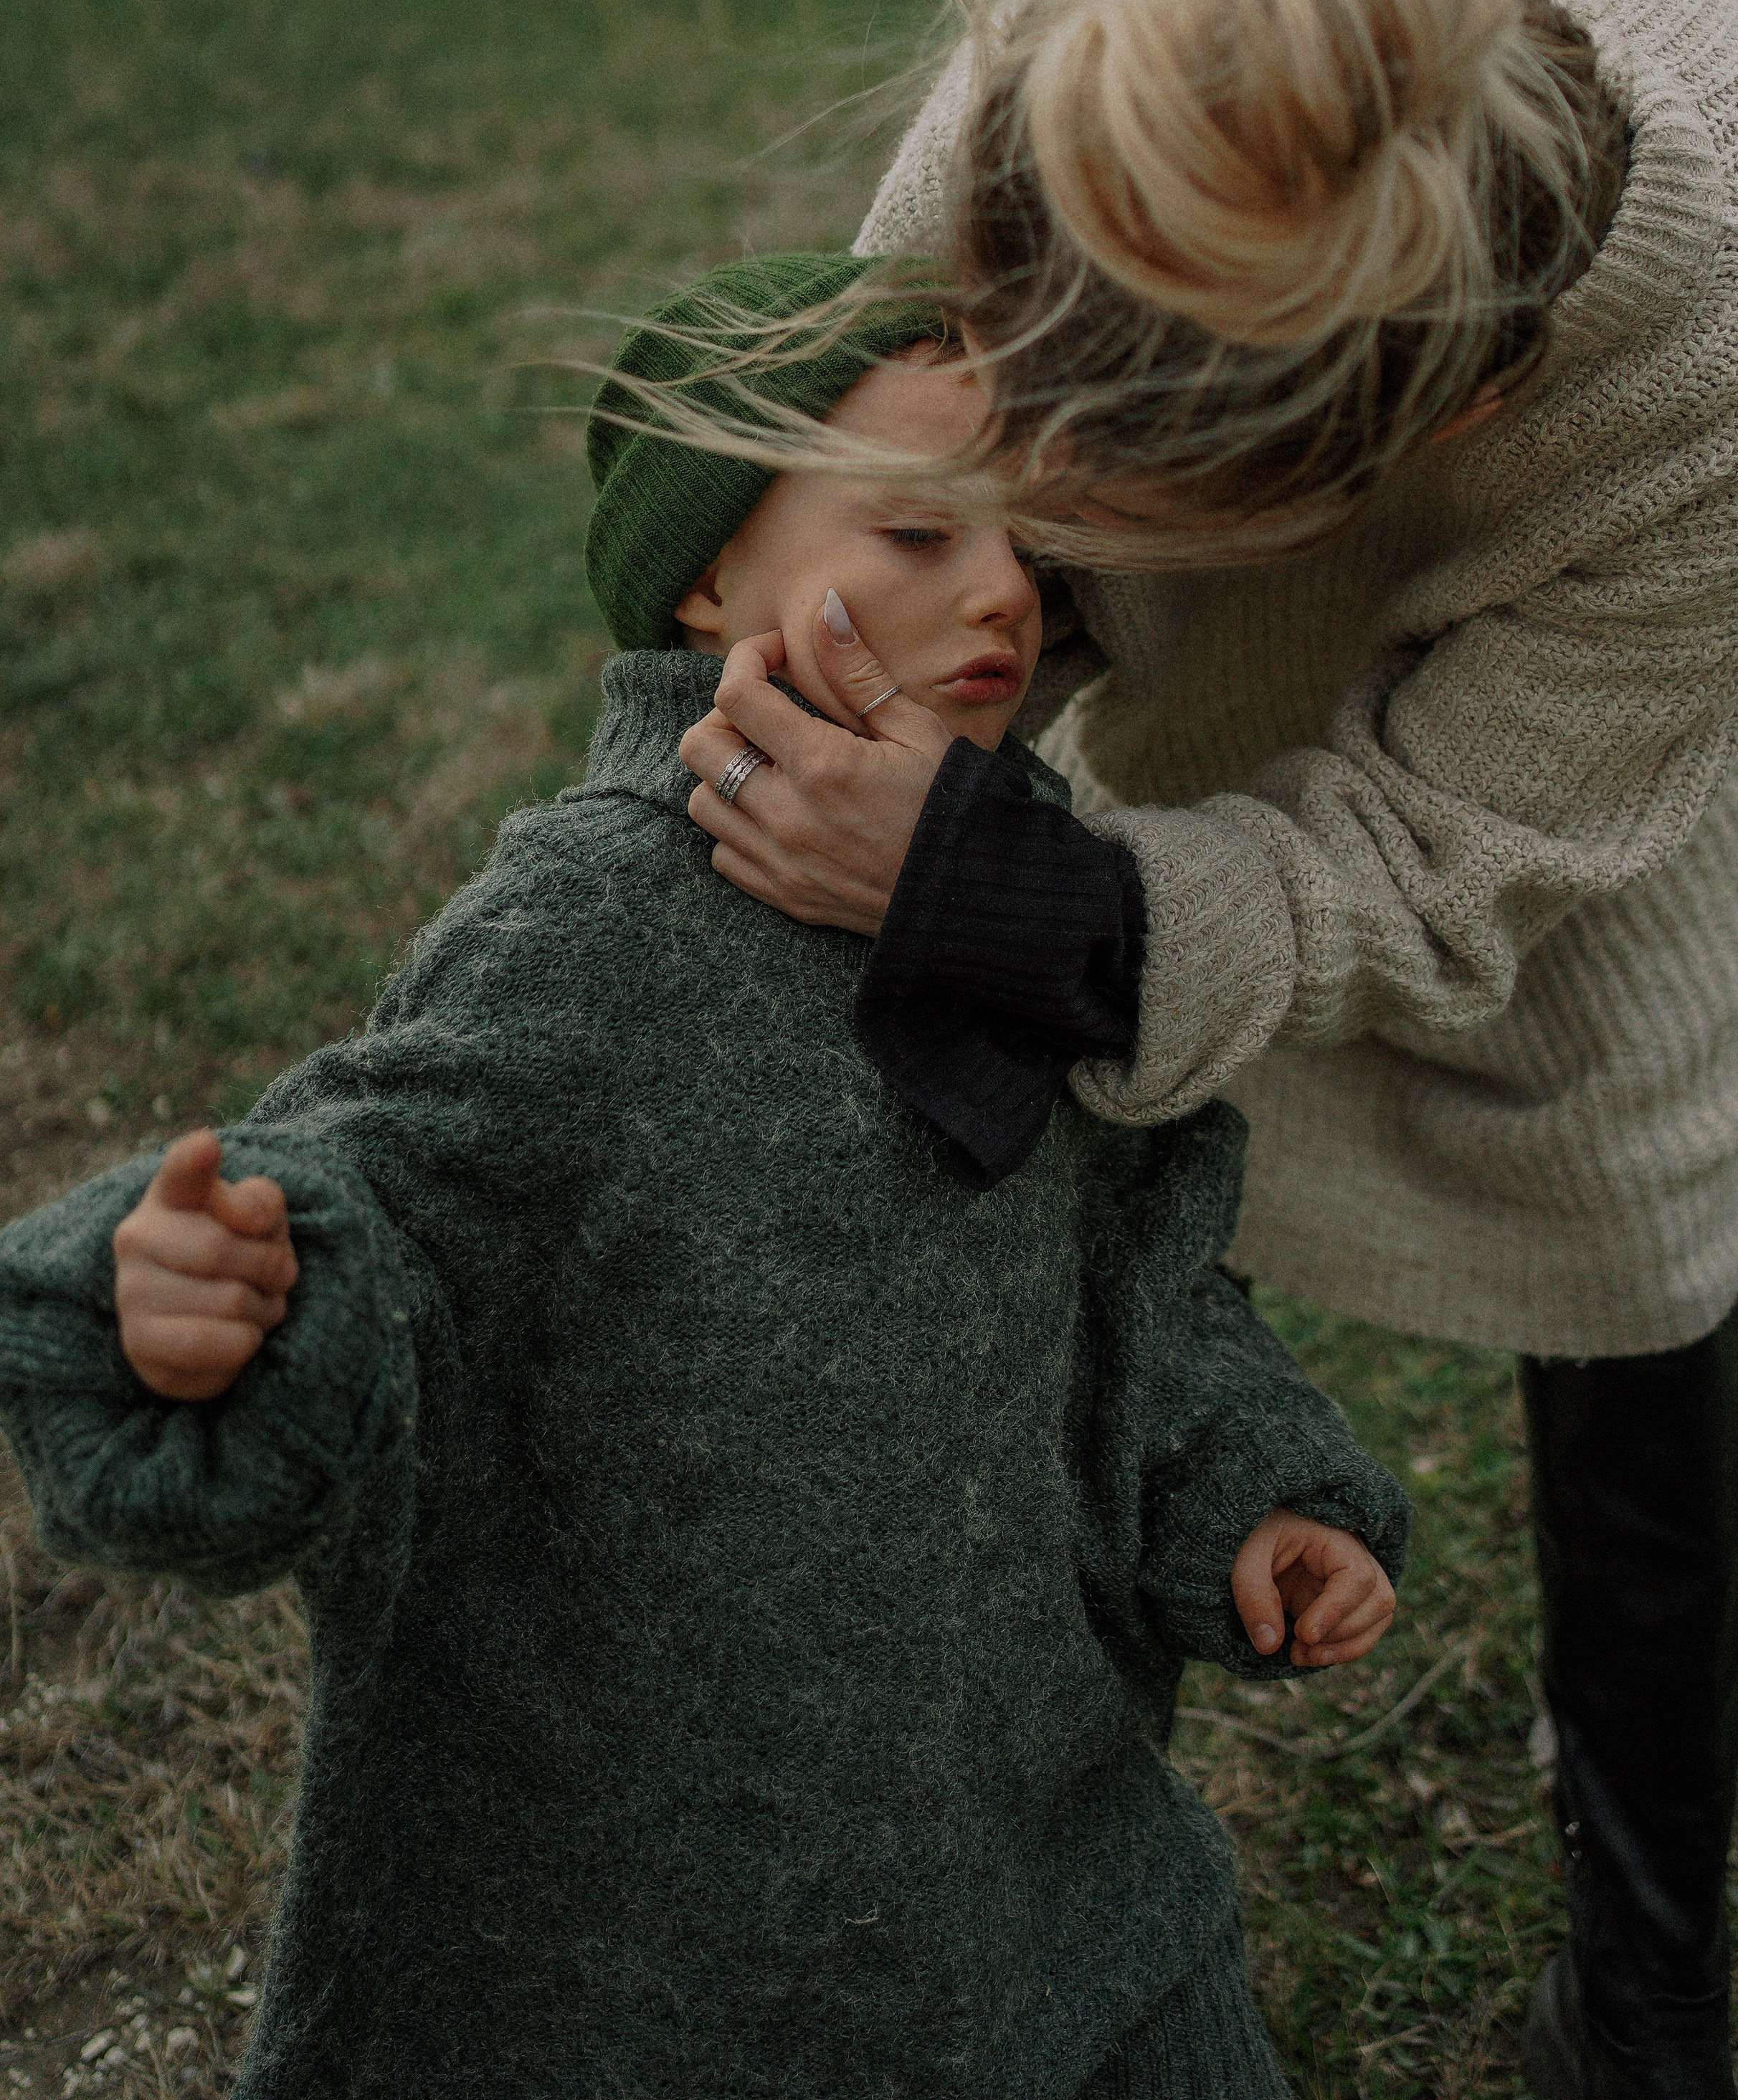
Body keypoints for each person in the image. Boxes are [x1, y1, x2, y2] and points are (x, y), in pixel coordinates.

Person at [0, 253, 1408, 2100]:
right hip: (641, 1948)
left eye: (1027, 550)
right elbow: (383, 1192)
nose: (998, 594)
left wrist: (1244, 1495)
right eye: (914, 532)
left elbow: (1133, 1273)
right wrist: (222, 1302)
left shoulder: (1022, 880)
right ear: (707, 571)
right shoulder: (592, 927)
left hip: (1042, 1872)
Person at [671, 0, 1738, 2100]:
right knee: (959, 1076)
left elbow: (1458, 847)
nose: (1016, 482)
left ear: (1416, 438)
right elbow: (819, 464)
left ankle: (1645, 1982)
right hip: (1250, 475)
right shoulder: (1081, 73)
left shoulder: (1721, 355)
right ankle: (961, 1830)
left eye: (1092, 466)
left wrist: (1032, 902)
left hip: (1564, 685)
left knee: (1635, 1190)